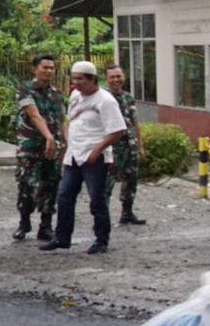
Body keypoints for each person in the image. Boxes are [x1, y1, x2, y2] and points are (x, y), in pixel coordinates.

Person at [40, 61, 128, 254]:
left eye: (80, 79)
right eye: (74, 78)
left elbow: (118, 130)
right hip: (74, 154)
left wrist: (97, 150)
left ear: (92, 79)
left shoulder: (105, 100)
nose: (76, 83)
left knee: (97, 199)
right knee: (64, 196)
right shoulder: (75, 96)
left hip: (94, 156)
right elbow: (71, 121)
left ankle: (101, 240)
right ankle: (62, 237)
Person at [13, 54, 66, 241]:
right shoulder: (24, 90)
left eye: (52, 68)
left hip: (52, 149)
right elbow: (34, 115)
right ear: (34, 69)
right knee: (27, 185)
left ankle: (46, 225)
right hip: (30, 148)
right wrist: (48, 136)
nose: (49, 71)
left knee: (51, 185)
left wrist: (65, 142)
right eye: (45, 67)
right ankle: (24, 222)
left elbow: (61, 119)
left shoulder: (57, 94)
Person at [103, 64, 147, 226]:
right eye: (112, 77)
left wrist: (140, 145)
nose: (116, 80)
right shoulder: (103, 98)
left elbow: (135, 122)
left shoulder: (128, 97)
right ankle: (103, 217)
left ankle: (127, 213)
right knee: (107, 183)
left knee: (131, 180)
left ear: (124, 77)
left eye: (118, 76)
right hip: (113, 148)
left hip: (130, 145)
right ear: (106, 80)